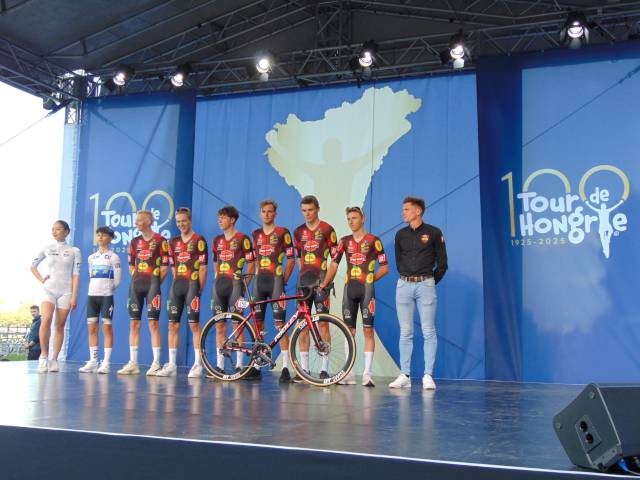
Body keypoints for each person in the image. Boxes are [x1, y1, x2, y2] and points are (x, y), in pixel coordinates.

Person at [322, 206, 389, 386]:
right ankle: (349, 373)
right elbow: (334, 264)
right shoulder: (344, 241)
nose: (351, 221)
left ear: (363, 219)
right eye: (349, 219)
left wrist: (370, 279)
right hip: (349, 291)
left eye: (354, 218)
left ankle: (367, 374)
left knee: (368, 331)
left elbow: (385, 268)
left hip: (367, 290)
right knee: (348, 332)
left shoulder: (374, 240)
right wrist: (324, 283)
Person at [389, 196, 448, 390]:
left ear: (418, 211)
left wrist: (429, 282)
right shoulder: (400, 234)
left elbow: (442, 263)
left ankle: (428, 375)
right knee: (405, 331)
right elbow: (398, 261)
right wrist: (407, 278)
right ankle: (405, 374)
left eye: (407, 209)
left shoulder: (434, 233)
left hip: (425, 285)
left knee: (428, 330)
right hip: (404, 285)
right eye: (403, 209)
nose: (403, 212)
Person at [156, 207, 208, 378]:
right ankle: (172, 364)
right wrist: (177, 282)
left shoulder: (199, 240)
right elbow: (173, 266)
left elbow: (203, 268)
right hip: (177, 286)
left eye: (184, 221)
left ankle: (198, 365)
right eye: (178, 222)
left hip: (193, 286)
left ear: (190, 220)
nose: (181, 224)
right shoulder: (172, 242)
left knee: (194, 325)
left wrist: (199, 289)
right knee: (172, 325)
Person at [117, 211, 169, 376]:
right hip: (135, 286)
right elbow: (131, 265)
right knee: (134, 324)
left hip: (153, 285)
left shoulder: (161, 240)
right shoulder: (134, 241)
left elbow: (164, 268)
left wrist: (155, 283)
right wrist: (137, 277)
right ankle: (133, 363)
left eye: (139, 220)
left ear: (149, 221)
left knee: (153, 324)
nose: (136, 223)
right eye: (136, 220)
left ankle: (156, 363)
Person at [293, 195, 338, 380]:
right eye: (304, 211)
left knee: (323, 324)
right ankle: (304, 370)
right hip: (303, 283)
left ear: (317, 209)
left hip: (321, 282)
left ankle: (324, 369)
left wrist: (326, 282)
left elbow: (335, 260)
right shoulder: (298, 232)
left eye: (310, 210)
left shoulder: (328, 229)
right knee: (303, 325)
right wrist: (303, 277)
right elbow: (299, 258)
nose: (307, 214)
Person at [250, 199, 295, 382]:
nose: (266, 214)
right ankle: (256, 367)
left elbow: (291, 259)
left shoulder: (283, 233)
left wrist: (283, 280)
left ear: (275, 214)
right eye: (264, 211)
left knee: (281, 325)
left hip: (276, 282)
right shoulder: (255, 234)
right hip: (259, 283)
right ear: (260, 213)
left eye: (270, 211)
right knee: (257, 325)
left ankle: (285, 368)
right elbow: (254, 260)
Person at [30, 220, 81, 373]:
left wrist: (74, 296)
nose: (54, 232)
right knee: (46, 319)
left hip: (66, 291)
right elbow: (33, 266)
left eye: (58, 229)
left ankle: (54, 359)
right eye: (53, 229)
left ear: (67, 231)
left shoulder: (74, 251)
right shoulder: (47, 248)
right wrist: (41, 279)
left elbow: (76, 275)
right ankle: (43, 356)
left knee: (60, 325)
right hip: (49, 289)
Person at [211, 205, 255, 371]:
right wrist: (217, 277)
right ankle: (220, 366)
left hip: (236, 287)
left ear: (232, 220)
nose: (219, 220)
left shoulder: (243, 239)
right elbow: (216, 262)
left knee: (238, 325)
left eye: (223, 217)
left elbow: (252, 264)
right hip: (219, 287)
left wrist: (244, 285)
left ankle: (239, 365)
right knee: (219, 326)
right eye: (219, 217)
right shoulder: (217, 240)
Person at [79, 226, 122, 374]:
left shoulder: (114, 257)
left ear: (110, 238)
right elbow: (91, 275)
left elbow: (117, 280)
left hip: (106, 296)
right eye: (98, 235)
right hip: (92, 295)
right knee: (92, 328)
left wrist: (108, 289)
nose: (100, 237)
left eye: (103, 235)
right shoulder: (91, 258)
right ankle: (93, 361)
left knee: (107, 328)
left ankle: (106, 363)